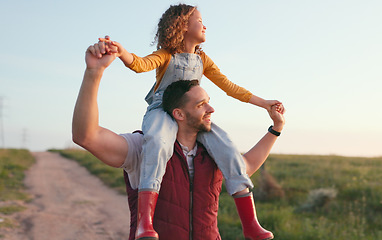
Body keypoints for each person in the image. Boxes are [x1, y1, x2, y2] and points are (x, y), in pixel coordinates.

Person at [94, 3, 283, 240]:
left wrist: (264, 103)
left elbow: (229, 87)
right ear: (182, 25)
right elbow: (140, 64)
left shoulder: (203, 59)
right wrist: (122, 52)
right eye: (199, 20)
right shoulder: (166, 54)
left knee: (228, 148)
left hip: (193, 115)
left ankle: (250, 224)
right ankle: (145, 222)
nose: (205, 25)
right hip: (162, 110)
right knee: (158, 144)